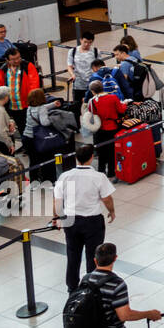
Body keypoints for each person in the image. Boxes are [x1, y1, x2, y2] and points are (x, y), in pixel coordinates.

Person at [77, 243, 162, 328]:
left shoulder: (86, 278)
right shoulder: (117, 284)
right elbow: (124, 315)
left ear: (95, 260)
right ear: (115, 258)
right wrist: (149, 314)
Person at [52, 143, 115, 292]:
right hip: (92, 221)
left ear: (76, 158)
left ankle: (72, 288)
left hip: (70, 221)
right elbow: (107, 198)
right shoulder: (98, 177)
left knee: (73, 255)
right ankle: (91, 287)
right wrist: (112, 211)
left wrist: (56, 217)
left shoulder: (65, 176)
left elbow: (57, 200)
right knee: (93, 256)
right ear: (92, 157)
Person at [24, 88, 73, 183]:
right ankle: (49, 180)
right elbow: (45, 122)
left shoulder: (30, 108)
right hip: (39, 139)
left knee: (33, 161)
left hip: (27, 137)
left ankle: (34, 181)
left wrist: (53, 104)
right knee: (47, 160)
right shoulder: (41, 109)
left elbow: (42, 109)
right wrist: (54, 119)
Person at [86, 79, 126, 181]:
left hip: (99, 129)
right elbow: (121, 110)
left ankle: (101, 170)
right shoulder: (113, 97)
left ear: (93, 91)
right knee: (112, 151)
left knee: (101, 151)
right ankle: (111, 172)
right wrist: (125, 104)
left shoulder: (92, 101)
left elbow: (91, 112)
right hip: (112, 127)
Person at [0, 46, 41, 134]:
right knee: (21, 128)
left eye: (18, 57)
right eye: (13, 59)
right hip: (12, 106)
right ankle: (26, 145)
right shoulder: (3, 69)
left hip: (27, 105)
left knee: (33, 128)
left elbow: (34, 84)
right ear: (7, 60)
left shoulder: (27, 66)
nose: (17, 60)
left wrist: (31, 101)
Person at [66, 32, 100, 109]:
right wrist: (72, 75)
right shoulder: (72, 51)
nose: (87, 44)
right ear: (81, 40)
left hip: (92, 84)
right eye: (85, 42)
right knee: (77, 107)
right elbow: (69, 65)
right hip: (78, 84)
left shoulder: (95, 51)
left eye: (89, 42)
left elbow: (99, 66)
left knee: (93, 107)